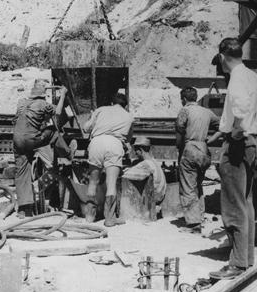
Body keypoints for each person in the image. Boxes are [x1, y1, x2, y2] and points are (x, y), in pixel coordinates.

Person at [206, 38, 257, 280]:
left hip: (238, 144)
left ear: (222, 56)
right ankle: (246, 258)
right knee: (246, 202)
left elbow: (242, 109)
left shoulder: (236, 78)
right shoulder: (252, 76)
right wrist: (250, 123)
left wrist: (236, 130)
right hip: (251, 142)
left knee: (233, 205)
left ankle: (237, 264)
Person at [13, 80, 72, 216]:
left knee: (22, 172)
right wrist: (62, 94)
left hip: (16, 140)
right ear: (42, 96)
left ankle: (24, 210)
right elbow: (57, 112)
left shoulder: (21, 102)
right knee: (53, 131)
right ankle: (67, 153)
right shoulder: (42, 104)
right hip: (31, 139)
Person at [81, 92, 133, 226]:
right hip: (115, 144)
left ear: (112, 103)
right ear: (125, 106)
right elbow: (127, 139)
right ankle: (109, 219)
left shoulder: (100, 110)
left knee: (93, 181)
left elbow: (86, 128)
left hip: (96, 143)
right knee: (111, 183)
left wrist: (91, 117)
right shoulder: (128, 116)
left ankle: (89, 216)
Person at [175, 87, 219, 233]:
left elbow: (180, 132)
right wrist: (210, 141)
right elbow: (223, 127)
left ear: (184, 99)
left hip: (190, 148)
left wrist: (181, 148)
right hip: (204, 150)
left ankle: (193, 225)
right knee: (198, 185)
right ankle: (200, 216)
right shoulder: (206, 111)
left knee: (188, 187)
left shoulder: (185, 110)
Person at [122, 136, 167, 209]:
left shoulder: (146, 164)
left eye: (136, 150)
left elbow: (125, 175)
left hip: (153, 197)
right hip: (160, 196)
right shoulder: (154, 162)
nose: (136, 153)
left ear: (140, 149)